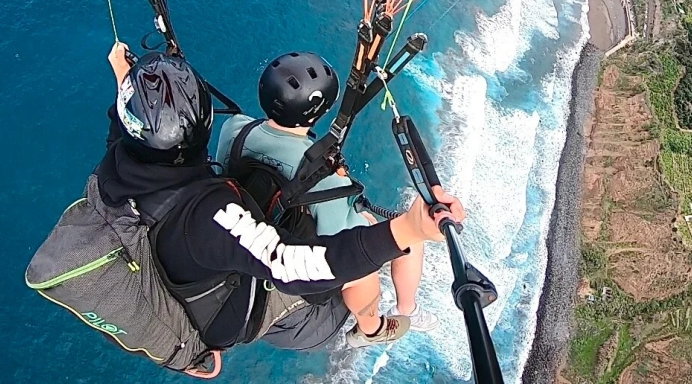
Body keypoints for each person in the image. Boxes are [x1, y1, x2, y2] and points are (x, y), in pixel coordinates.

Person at [102, 42, 463, 353]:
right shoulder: (216, 211)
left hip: (223, 265)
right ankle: (376, 326)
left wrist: (130, 87)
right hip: (276, 315)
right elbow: (305, 259)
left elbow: (126, 134)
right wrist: (408, 230)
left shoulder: (222, 134)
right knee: (379, 258)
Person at [216, 51, 439, 349]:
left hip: (237, 268)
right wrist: (342, 188)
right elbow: (348, 248)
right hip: (291, 316)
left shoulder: (235, 129)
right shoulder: (327, 182)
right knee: (399, 241)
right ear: (317, 113)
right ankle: (376, 327)